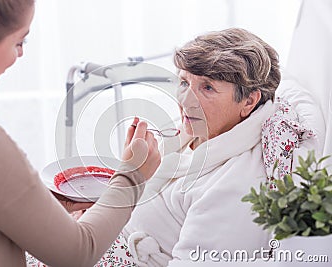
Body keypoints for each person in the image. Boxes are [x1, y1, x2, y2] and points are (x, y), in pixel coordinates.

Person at [0, 1, 160, 266]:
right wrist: (132, 176)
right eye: (19, 42)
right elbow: (77, 253)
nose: (20, 55)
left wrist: (32, 208)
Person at [120, 28, 319, 266]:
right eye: (184, 82)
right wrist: (124, 180)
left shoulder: (235, 186)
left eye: (207, 88)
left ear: (249, 101)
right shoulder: (195, 129)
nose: (184, 101)